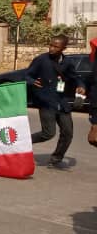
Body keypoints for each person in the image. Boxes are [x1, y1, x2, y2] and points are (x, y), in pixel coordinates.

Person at [27, 35, 86, 169]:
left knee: (68, 133)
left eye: (56, 46)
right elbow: (27, 74)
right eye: (51, 45)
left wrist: (81, 85)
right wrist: (32, 81)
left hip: (62, 102)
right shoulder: (41, 60)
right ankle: (23, 142)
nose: (51, 48)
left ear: (63, 48)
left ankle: (56, 158)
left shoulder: (67, 62)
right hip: (46, 101)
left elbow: (75, 77)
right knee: (48, 133)